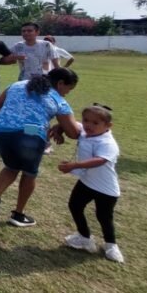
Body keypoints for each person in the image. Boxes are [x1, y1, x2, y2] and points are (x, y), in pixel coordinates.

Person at [0, 68, 81, 227]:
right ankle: (18, 214)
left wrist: (4, 123)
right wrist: (60, 127)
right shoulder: (57, 98)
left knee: (11, 166)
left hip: (1, 130)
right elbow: (74, 132)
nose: (67, 93)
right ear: (60, 83)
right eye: (69, 89)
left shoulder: (17, 85)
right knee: (29, 173)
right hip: (31, 131)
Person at [56, 104, 124, 263]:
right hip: (86, 183)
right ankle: (85, 237)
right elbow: (68, 124)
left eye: (95, 123)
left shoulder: (108, 143)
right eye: (86, 120)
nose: (88, 125)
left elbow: (99, 161)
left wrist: (74, 165)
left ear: (108, 126)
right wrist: (59, 130)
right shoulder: (84, 131)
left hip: (106, 189)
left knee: (104, 216)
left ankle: (111, 245)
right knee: (74, 206)